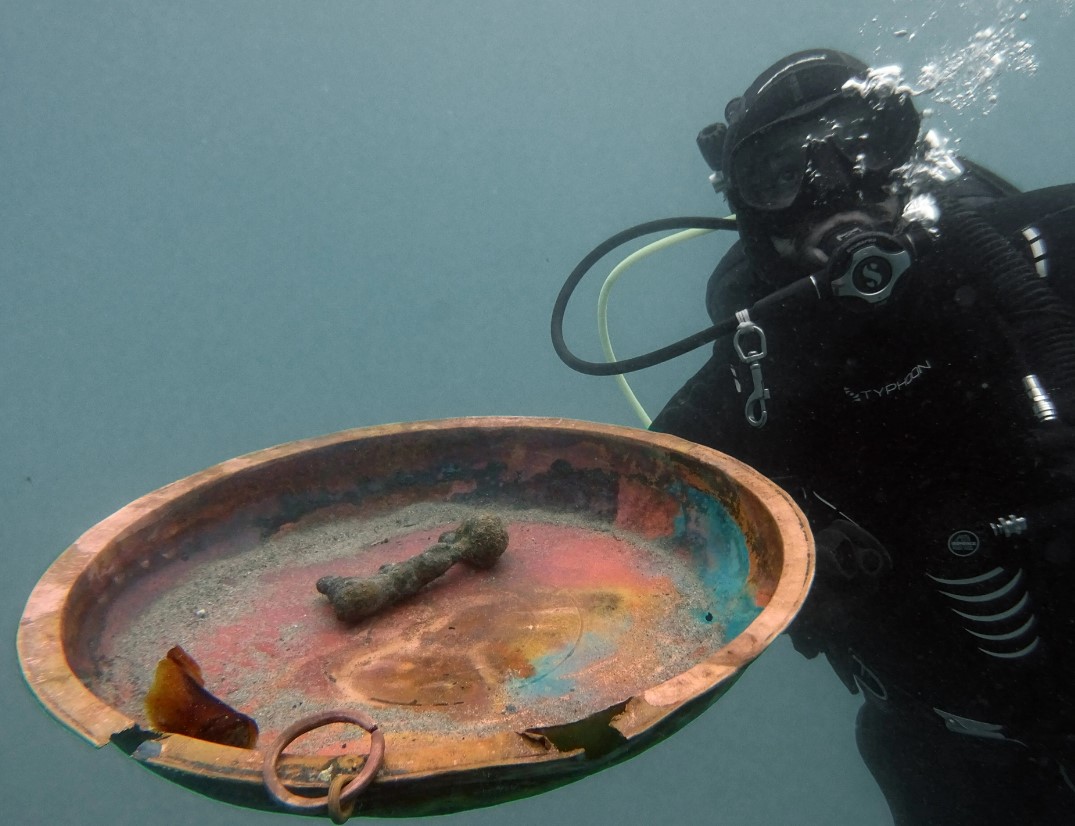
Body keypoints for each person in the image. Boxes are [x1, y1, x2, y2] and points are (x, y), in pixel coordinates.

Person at [648, 49, 1075, 824]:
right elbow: (635, 526)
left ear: (907, 154)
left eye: (865, 145)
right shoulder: (757, 366)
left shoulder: (1043, 261)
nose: (833, 188)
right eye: (781, 175)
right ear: (751, 210)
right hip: (954, 756)